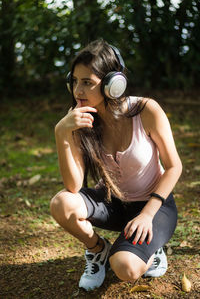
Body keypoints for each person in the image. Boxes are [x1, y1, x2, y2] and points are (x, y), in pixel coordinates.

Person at [50, 39, 182, 291]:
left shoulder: (146, 110)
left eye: (87, 82)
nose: (78, 90)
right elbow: (73, 185)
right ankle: (98, 251)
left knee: (126, 268)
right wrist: (62, 132)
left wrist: (147, 214)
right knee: (61, 203)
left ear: (113, 84)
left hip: (153, 206)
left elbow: (175, 167)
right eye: (74, 81)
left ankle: (152, 250)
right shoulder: (79, 120)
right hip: (112, 202)